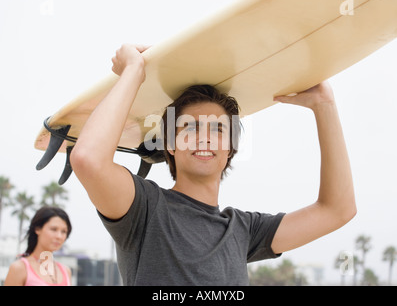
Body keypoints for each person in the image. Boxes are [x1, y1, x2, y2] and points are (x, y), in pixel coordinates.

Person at [70, 44, 356, 285]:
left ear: (230, 149)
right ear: (170, 144)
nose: (205, 139)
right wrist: (134, 71)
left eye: (218, 129)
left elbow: (337, 210)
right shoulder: (144, 209)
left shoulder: (244, 230)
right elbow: (88, 160)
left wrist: (324, 105)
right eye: (191, 128)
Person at [4, 206, 72, 286]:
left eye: (64, 231)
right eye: (54, 229)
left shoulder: (66, 271)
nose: (59, 236)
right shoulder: (19, 268)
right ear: (37, 229)